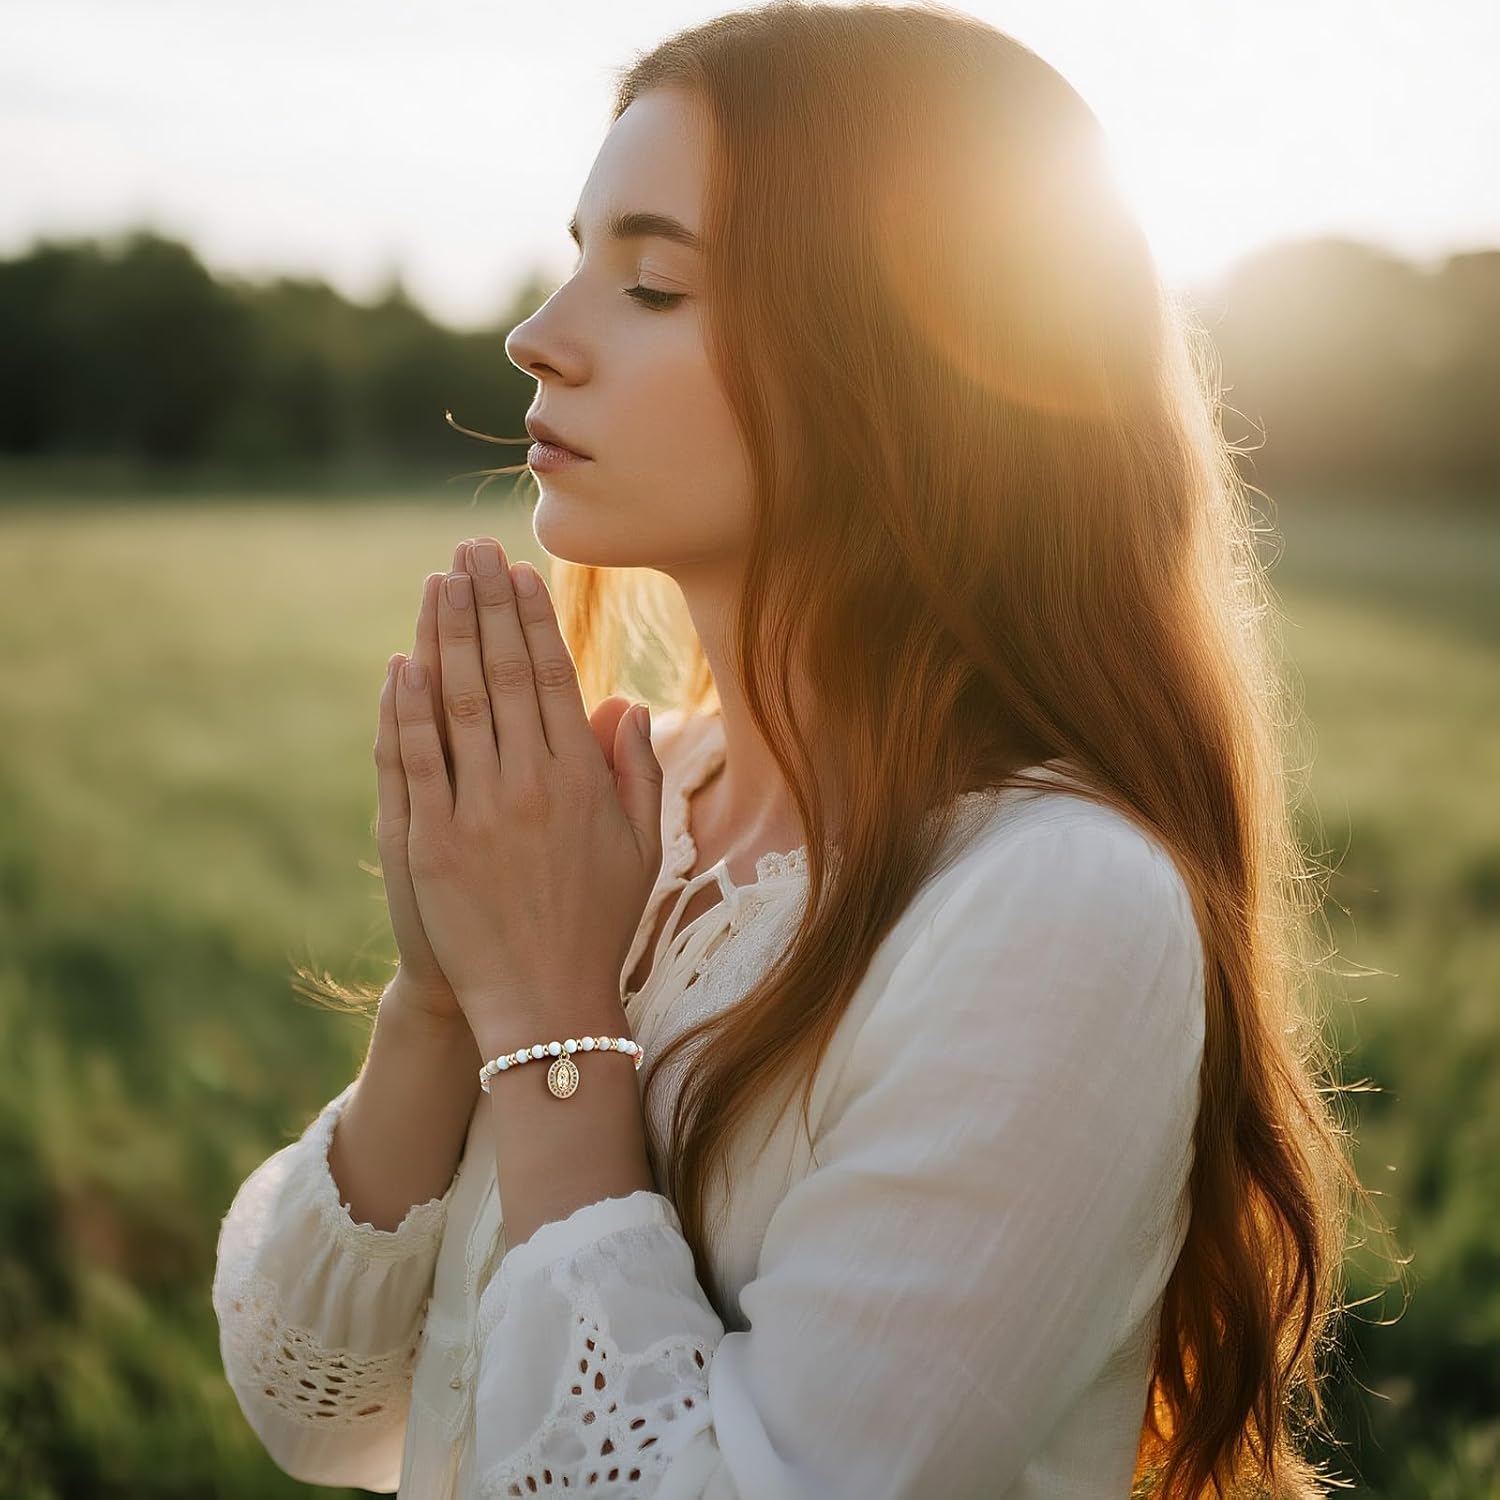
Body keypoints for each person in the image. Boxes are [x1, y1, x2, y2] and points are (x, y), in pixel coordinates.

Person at [212, 5, 1364, 1496]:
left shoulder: (1052, 906)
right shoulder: (630, 816)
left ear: (900, 358)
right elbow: (319, 1408)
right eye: (578, 261)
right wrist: (446, 1002)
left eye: (650, 282)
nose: (538, 335)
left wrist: (556, 1026)